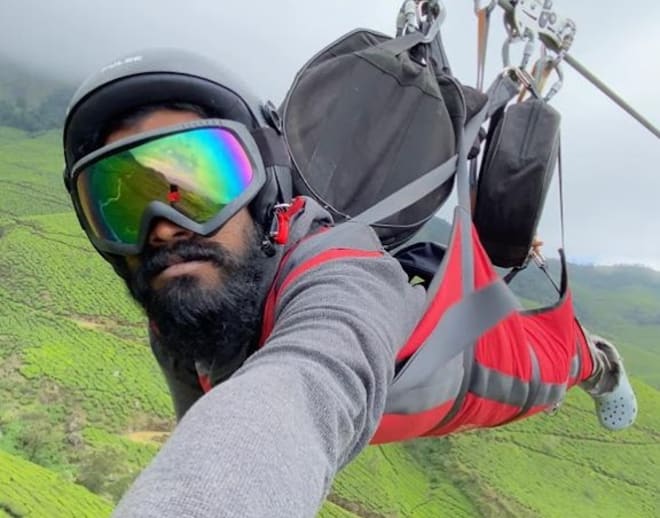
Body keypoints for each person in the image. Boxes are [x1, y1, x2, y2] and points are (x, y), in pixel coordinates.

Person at [62, 48, 637, 517]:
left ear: (265, 187)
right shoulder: (177, 315)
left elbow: (307, 381)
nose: (162, 229)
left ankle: (602, 363)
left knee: (556, 362)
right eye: (118, 202)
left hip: (463, 354)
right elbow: (213, 422)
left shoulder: (342, 272)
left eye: (198, 184)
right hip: (390, 381)